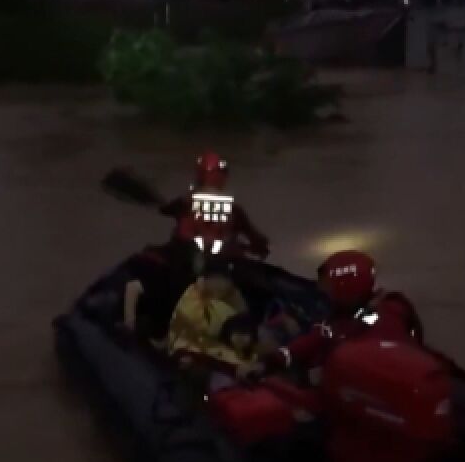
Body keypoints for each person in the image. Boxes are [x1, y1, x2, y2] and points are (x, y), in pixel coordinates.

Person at [263, 250, 421, 375]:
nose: (325, 293)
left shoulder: (387, 315)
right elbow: (318, 336)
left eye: (330, 287)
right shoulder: (344, 314)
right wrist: (280, 357)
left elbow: (377, 362)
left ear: (346, 287)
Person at [159, 150, 270, 259]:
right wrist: (260, 245)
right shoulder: (234, 209)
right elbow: (253, 235)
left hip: (194, 259)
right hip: (216, 259)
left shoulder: (185, 202)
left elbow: (165, 210)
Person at [167, 257, 251, 373]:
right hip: (189, 352)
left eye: (226, 280)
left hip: (223, 357)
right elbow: (196, 328)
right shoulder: (194, 296)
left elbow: (244, 329)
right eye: (217, 279)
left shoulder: (234, 299)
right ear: (207, 278)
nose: (222, 284)